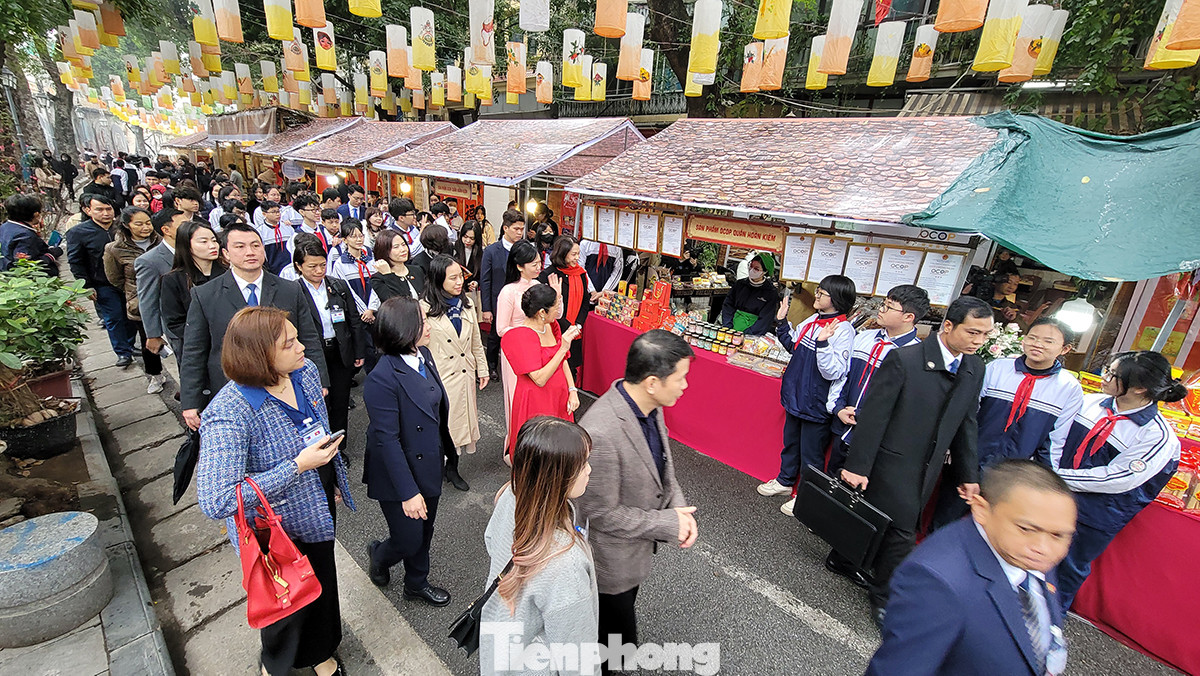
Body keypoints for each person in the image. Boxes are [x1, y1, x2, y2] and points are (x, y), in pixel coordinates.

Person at [195, 306, 352, 676]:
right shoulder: (229, 412)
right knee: (283, 602)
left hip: (316, 499)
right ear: (260, 356)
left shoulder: (306, 372)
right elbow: (216, 499)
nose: (302, 348)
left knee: (322, 583)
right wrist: (297, 467)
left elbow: (318, 429)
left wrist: (331, 480)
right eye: (290, 343)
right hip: (272, 527)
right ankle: (277, 663)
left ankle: (321, 652)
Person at [840, 295, 994, 628]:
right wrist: (857, 465)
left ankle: (842, 558)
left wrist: (968, 473)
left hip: (929, 465)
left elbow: (967, 421)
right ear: (949, 326)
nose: (979, 341)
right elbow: (875, 416)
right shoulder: (905, 360)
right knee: (902, 534)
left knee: (879, 520)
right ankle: (884, 598)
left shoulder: (974, 366)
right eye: (973, 333)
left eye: (985, 335)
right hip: (892, 460)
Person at [866, 460, 1075, 676]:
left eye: (1058, 535)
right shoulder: (938, 581)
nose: (1043, 547)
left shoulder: (1027, 555)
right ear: (981, 509)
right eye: (1026, 529)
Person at [576, 330, 698, 666]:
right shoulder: (601, 432)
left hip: (633, 552)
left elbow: (663, 467)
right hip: (610, 566)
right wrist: (666, 523)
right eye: (681, 378)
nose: (685, 385)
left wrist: (678, 509)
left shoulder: (648, 405)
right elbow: (600, 513)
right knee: (615, 650)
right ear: (652, 382)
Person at [1049, 350, 1185, 610]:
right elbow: (1055, 438)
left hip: (1095, 514)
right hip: (1055, 493)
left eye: (1113, 375)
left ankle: (1050, 625)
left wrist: (1054, 476)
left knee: (1067, 570)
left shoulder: (1157, 436)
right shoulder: (1088, 402)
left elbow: (1118, 478)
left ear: (1140, 389)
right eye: (1107, 370)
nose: (1105, 377)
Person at [180, 221, 329, 431]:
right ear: (226, 253)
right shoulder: (205, 295)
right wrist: (191, 401)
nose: (250, 252)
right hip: (234, 387)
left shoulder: (289, 290)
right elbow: (194, 350)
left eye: (256, 245)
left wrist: (319, 380)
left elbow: (309, 337)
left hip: (285, 383)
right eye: (240, 247)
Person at [480, 417, 597, 676]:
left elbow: (491, 541)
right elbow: (577, 658)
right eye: (582, 464)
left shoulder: (511, 496)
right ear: (557, 475)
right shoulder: (565, 563)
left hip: (498, 645)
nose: (589, 470)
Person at [362, 297, 455, 608]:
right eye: (422, 322)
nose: (428, 326)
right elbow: (387, 440)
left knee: (425, 531)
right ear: (405, 329)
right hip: (397, 472)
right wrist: (408, 492)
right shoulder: (381, 378)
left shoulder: (424, 355)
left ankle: (416, 583)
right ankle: (379, 555)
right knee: (407, 538)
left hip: (428, 460)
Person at [757, 275, 857, 515]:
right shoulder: (813, 320)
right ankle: (785, 481)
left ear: (837, 299)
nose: (818, 295)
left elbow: (834, 371)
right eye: (819, 291)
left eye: (823, 293)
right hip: (796, 396)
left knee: (812, 454)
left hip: (817, 402)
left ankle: (805, 495)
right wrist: (781, 322)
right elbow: (793, 346)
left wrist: (823, 344)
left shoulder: (843, 330)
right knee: (791, 443)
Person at [420, 255, 487, 490]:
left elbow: (476, 341)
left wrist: (483, 369)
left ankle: (452, 469)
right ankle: (434, 469)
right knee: (439, 426)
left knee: (458, 425)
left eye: (461, 276)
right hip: (438, 376)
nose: (460, 282)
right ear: (439, 280)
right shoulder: (423, 309)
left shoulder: (467, 303)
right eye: (454, 278)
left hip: (464, 373)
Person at [293, 238, 365, 456]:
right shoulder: (294, 291)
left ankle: (339, 447)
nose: (318, 270)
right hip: (312, 355)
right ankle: (319, 446)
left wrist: (358, 351)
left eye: (322, 265)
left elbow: (353, 319)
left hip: (339, 351)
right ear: (299, 266)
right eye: (312, 266)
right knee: (319, 402)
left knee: (340, 402)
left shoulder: (337, 286)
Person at [501, 284, 581, 457]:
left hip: (559, 396)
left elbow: (564, 361)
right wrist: (563, 348)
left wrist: (572, 389)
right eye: (555, 307)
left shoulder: (552, 326)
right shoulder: (519, 336)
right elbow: (539, 378)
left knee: (560, 447)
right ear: (542, 312)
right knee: (539, 450)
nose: (557, 311)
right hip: (536, 402)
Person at [68, 194, 136, 367]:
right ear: (87, 210)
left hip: (127, 281)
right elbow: (76, 261)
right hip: (102, 283)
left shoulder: (120, 228)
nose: (105, 213)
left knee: (131, 315)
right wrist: (86, 286)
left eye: (108, 209)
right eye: (100, 209)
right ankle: (122, 352)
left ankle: (129, 344)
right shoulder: (78, 233)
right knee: (113, 317)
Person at [103, 207, 165, 392]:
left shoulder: (160, 241)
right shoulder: (115, 249)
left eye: (148, 222)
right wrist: (133, 291)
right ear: (126, 225)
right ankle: (155, 375)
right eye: (139, 224)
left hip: (166, 294)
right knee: (149, 340)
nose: (145, 227)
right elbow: (114, 278)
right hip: (139, 301)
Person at [497, 241, 549, 443]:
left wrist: (557, 296)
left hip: (538, 350)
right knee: (517, 397)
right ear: (519, 266)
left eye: (539, 263)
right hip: (517, 352)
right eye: (534, 264)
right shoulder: (508, 292)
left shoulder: (538, 286)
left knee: (535, 397)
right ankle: (515, 443)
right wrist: (527, 333)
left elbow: (551, 316)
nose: (539, 267)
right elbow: (501, 329)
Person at [540, 235, 605, 376]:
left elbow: (584, 302)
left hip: (575, 332)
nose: (577, 258)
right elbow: (546, 307)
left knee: (571, 369)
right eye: (573, 254)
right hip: (554, 331)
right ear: (563, 254)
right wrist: (567, 325)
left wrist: (578, 325)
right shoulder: (548, 275)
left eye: (578, 254)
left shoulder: (581, 274)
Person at [160, 220, 225, 355]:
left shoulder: (228, 271)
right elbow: (174, 321)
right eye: (203, 242)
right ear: (187, 245)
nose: (212, 246)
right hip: (198, 347)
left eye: (214, 240)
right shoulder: (173, 280)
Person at [480, 209, 526, 379]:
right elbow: (485, 281)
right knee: (494, 336)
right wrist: (486, 308)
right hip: (497, 300)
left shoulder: (523, 249)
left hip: (520, 300)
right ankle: (492, 365)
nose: (520, 232)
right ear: (505, 228)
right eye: (516, 229)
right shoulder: (492, 251)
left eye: (521, 229)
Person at [326, 219, 380, 325]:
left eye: (361, 236)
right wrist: (364, 311)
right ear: (345, 240)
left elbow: (377, 286)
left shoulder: (370, 261)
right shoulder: (340, 263)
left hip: (374, 312)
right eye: (353, 237)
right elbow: (347, 291)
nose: (358, 240)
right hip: (355, 314)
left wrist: (371, 309)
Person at [0, 193, 61, 276]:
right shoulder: (25, 236)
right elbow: (26, 265)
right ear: (36, 214)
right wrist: (52, 254)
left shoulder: (4, 227)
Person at [720, 253, 781, 335]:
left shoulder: (770, 292)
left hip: (753, 333)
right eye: (751, 266)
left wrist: (748, 334)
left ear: (765, 272)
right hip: (731, 327)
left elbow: (766, 319)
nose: (752, 270)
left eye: (756, 269)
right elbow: (728, 305)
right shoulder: (739, 284)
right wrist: (728, 326)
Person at [370, 228, 425, 302]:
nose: (403, 249)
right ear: (385, 251)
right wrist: (388, 275)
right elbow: (396, 302)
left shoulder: (417, 270)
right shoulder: (378, 279)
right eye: (396, 247)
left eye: (404, 244)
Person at [253, 201, 294, 275]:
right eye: (273, 212)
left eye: (278, 211)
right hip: (272, 269)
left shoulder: (288, 227)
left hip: (289, 268)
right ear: (264, 214)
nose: (277, 214)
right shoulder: (260, 232)